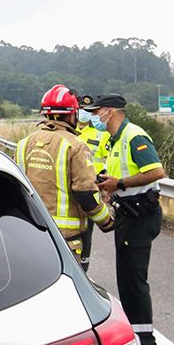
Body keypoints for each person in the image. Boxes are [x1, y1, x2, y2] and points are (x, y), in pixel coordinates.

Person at [91, 94, 169, 345]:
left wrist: (120, 184)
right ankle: (135, 337)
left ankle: (146, 344)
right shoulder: (112, 138)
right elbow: (111, 170)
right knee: (126, 279)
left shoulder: (133, 136)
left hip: (140, 216)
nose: (93, 117)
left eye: (96, 111)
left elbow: (157, 171)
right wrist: (107, 185)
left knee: (134, 281)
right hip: (127, 213)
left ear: (109, 112)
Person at [15, 85, 114, 274]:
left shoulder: (24, 144)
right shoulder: (75, 146)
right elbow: (86, 194)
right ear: (71, 115)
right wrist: (107, 221)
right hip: (65, 240)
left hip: (31, 233)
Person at [75, 95, 109, 270]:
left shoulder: (101, 135)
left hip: (92, 187)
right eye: (81, 109)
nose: (84, 114)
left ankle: (84, 267)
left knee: (87, 230)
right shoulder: (69, 132)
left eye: (88, 111)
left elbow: (108, 161)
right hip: (70, 186)